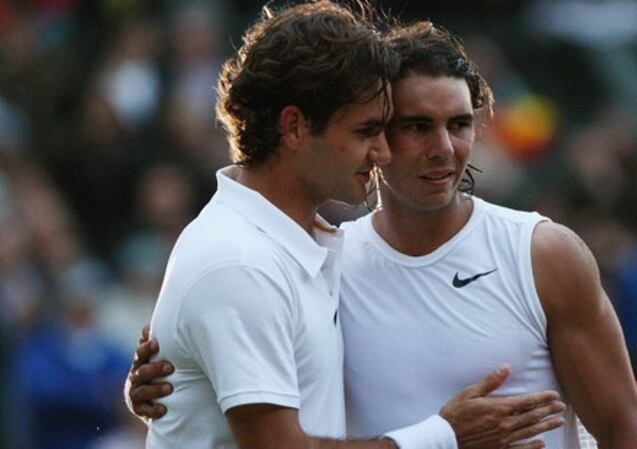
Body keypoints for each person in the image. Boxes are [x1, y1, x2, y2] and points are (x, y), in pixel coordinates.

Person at [134, 2, 564, 449]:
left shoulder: (303, 245)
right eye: (366, 131)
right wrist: (447, 436)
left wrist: (178, 386)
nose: (383, 153)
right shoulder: (240, 264)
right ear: (294, 127)